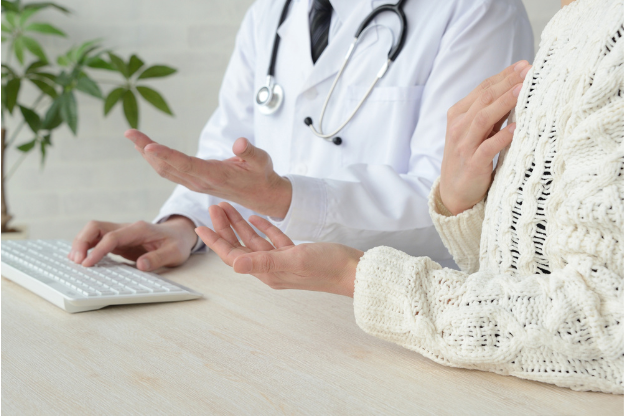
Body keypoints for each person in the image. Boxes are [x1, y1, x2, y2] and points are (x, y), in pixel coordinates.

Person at [196, 0, 624, 394]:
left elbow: (603, 325)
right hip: (488, 381)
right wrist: (461, 205)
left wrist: (354, 275)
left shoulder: (611, 37)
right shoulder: (572, 20)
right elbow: (520, 272)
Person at [68, 0, 533, 272]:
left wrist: (287, 199)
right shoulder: (271, 12)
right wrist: (182, 227)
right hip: (267, 291)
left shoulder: (476, 10)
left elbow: (454, 205)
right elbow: (224, 151)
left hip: (396, 308)